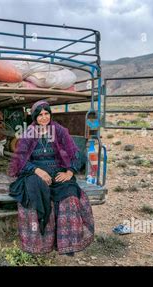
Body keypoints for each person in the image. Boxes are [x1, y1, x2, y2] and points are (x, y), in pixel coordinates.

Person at [8, 100, 94, 255]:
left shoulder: (59, 131)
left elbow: (75, 154)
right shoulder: (29, 133)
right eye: (40, 115)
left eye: (46, 113)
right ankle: (40, 245)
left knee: (70, 196)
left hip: (58, 172)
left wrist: (70, 172)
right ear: (34, 117)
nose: (44, 117)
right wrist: (37, 171)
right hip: (35, 173)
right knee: (36, 195)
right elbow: (21, 160)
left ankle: (68, 244)